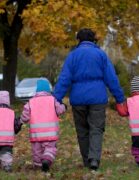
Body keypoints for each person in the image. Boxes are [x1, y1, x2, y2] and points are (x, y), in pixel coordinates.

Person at [53, 28, 126, 170]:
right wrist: (120, 98)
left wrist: (56, 99)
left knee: (82, 131)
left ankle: (87, 160)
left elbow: (64, 79)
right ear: (93, 40)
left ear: (79, 40)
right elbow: (111, 78)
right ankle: (94, 159)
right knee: (96, 129)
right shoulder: (101, 55)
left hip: (78, 99)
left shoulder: (72, 56)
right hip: (97, 98)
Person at [20, 79, 66, 172]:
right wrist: (64, 107)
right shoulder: (53, 100)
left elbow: (25, 115)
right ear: (48, 90)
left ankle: (37, 166)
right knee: (50, 149)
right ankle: (46, 160)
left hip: (36, 134)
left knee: (37, 151)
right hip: (50, 133)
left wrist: (21, 121)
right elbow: (59, 110)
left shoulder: (31, 102)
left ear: (37, 90)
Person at [0, 91, 22, 172]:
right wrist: (18, 127)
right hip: (7, 138)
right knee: (6, 151)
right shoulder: (11, 113)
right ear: (8, 101)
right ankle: (7, 165)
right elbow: (16, 125)